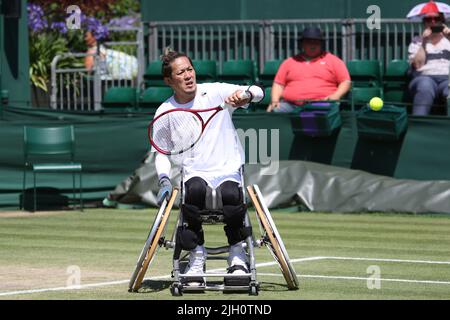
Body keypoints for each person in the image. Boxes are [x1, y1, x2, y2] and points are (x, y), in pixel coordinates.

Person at [153, 49, 264, 284]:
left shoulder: (213, 92)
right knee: (193, 193)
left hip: (228, 169)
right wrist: (163, 179)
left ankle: (237, 256)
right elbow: (161, 153)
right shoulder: (165, 112)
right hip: (194, 173)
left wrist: (245, 95)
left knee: (231, 194)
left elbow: (259, 91)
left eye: (189, 69)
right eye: (180, 72)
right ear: (169, 80)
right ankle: (196, 257)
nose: (188, 75)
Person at [267, 27, 351, 112]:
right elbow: (278, 84)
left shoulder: (334, 61)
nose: (313, 46)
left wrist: (336, 95)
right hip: (291, 105)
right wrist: (274, 101)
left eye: (316, 42)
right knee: (275, 110)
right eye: (309, 42)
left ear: (321, 44)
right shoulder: (289, 62)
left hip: (322, 104)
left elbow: (346, 82)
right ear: (302, 44)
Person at [408, 12, 450, 115]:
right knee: (425, 87)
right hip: (424, 77)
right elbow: (417, 65)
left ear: (442, 22)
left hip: (447, 78)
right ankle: (419, 126)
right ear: (424, 23)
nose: (433, 22)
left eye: (436, 19)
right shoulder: (417, 41)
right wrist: (424, 42)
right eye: (428, 19)